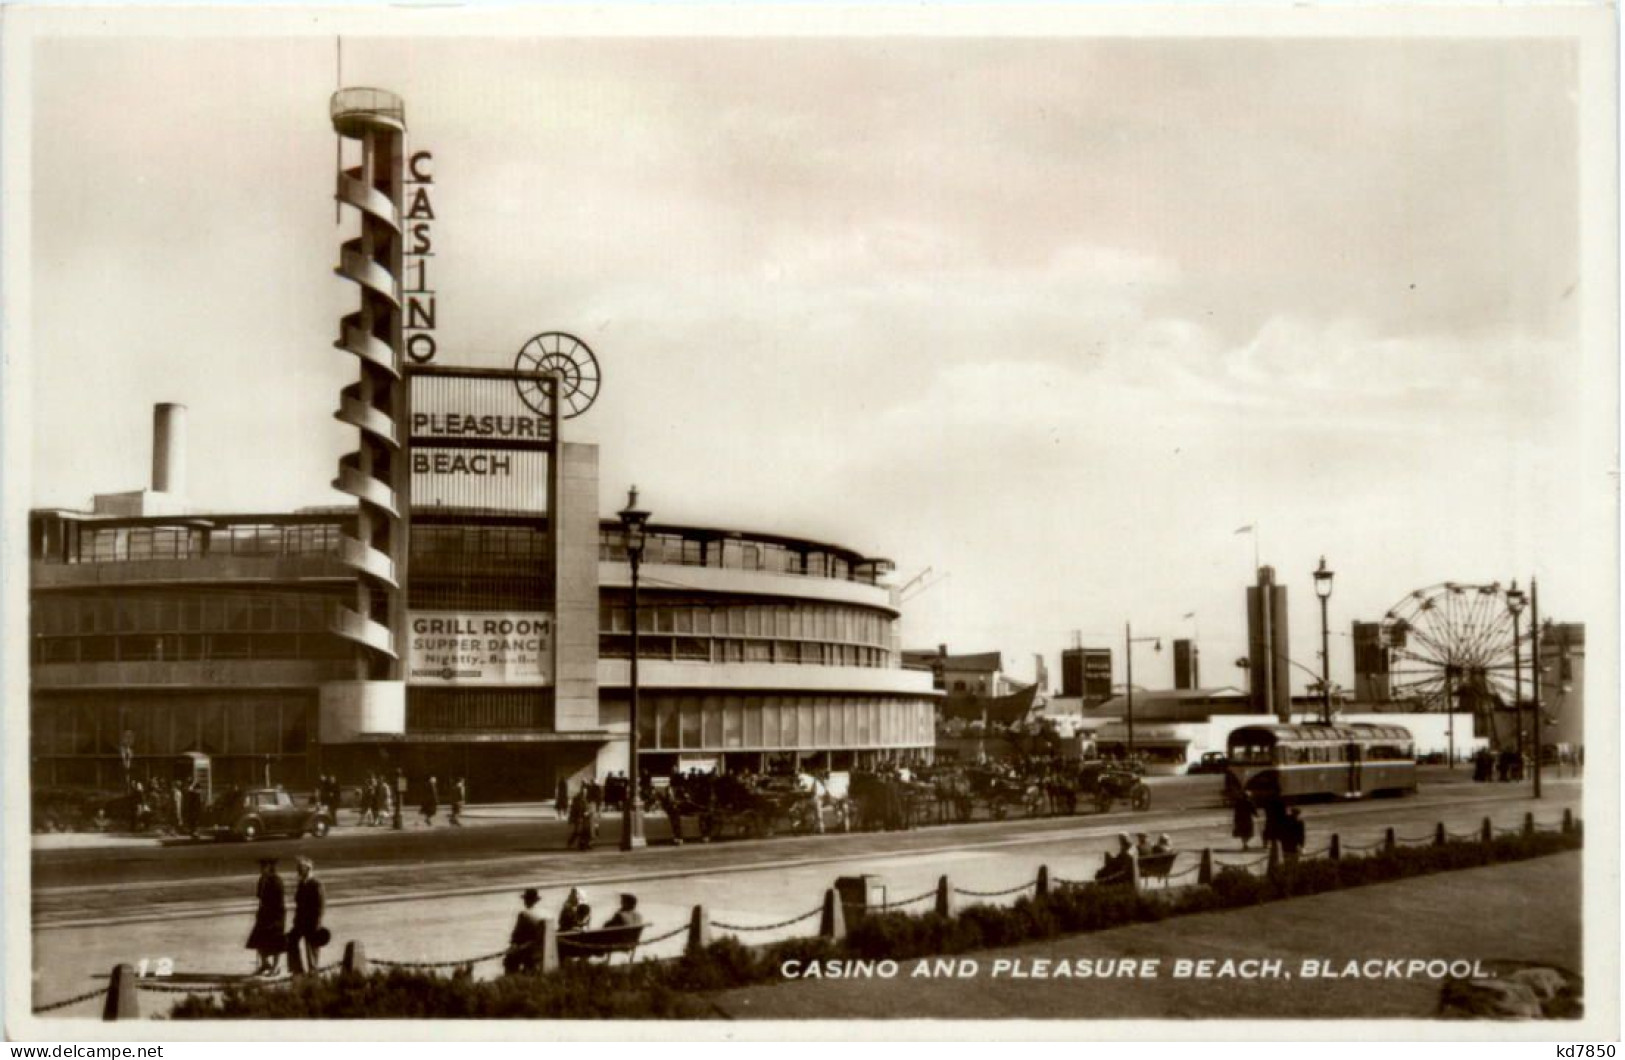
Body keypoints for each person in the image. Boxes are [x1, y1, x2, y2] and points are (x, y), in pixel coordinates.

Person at [246, 858, 287, 976]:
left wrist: (276, 919)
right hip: (264, 914)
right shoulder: (262, 879)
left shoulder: (277, 881)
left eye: (264, 867)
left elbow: (279, 902)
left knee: (275, 942)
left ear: (270, 868)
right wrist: (260, 911)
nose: (262, 869)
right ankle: (265, 964)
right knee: (259, 939)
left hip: (276, 915)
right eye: (261, 867)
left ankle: (276, 967)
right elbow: (260, 898)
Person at [287, 856, 326, 975]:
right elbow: (298, 903)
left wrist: (317, 923)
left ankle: (313, 971)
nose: (298, 871)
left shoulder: (316, 884)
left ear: (308, 869)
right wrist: (295, 918)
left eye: (301, 868)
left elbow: (320, 906)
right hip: (300, 921)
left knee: (312, 947)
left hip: (311, 921)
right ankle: (297, 969)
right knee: (291, 940)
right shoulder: (302, 883)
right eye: (298, 868)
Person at [503, 888, 544, 975]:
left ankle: (511, 977)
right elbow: (517, 933)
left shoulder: (524, 915)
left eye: (527, 899)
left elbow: (517, 933)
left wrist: (517, 945)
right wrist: (514, 944)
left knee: (509, 959)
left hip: (528, 948)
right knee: (511, 955)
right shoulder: (540, 914)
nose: (525, 902)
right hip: (531, 947)